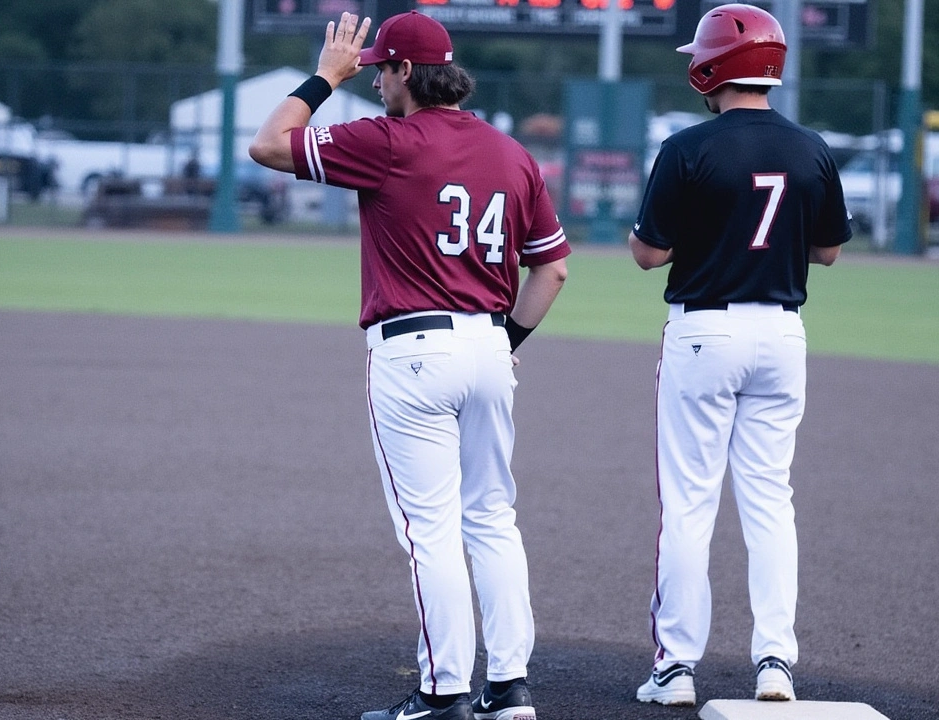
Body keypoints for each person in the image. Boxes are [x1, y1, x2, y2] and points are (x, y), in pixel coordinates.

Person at [248, 11, 569, 720]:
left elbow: (270, 145)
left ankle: (443, 691)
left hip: (415, 351)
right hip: (490, 348)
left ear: (401, 73)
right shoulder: (514, 154)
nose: (378, 85)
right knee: (492, 518)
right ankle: (510, 689)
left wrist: (326, 76)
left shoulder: (388, 140)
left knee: (430, 530)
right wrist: (502, 343)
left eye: (381, 72)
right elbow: (552, 271)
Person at [627, 4, 851, 708]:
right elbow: (829, 251)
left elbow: (647, 254)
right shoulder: (811, 147)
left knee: (690, 505)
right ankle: (776, 662)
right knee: (770, 503)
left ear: (711, 66)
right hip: (782, 334)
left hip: (705, 331)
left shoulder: (686, 147)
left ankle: (676, 669)